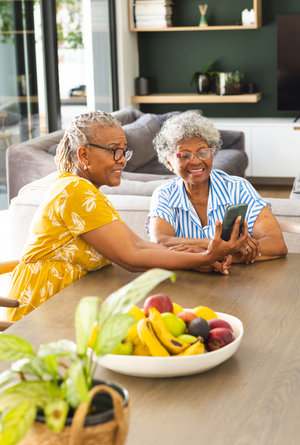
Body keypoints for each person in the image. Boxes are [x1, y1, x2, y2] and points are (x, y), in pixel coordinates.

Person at [6, 111, 248, 322]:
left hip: (69, 302)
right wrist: (205, 256)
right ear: (84, 155)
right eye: (114, 151)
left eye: (124, 151)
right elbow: (132, 258)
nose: (122, 159)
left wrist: (198, 258)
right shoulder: (75, 191)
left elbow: (138, 244)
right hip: (42, 311)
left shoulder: (85, 191)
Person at [148, 111, 287, 263]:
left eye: (202, 152)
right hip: (186, 282)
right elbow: (158, 242)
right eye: (185, 155)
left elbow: (276, 244)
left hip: (239, 282)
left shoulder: (238, 188)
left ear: (212, 155)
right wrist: (224, 247)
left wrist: (209, 255)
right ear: (170, 164)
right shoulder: (164, 194)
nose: (195, 161)